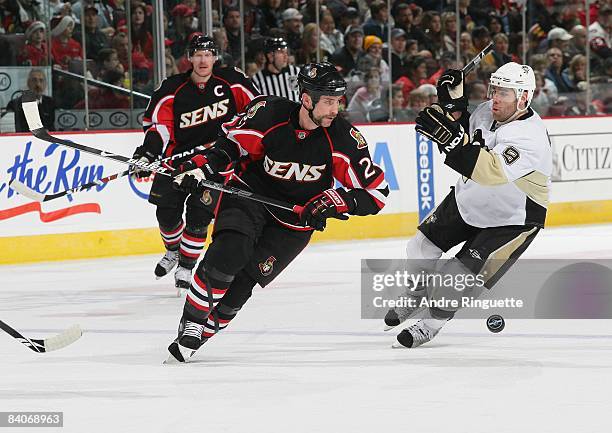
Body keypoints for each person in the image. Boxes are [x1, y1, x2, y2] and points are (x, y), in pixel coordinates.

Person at [166, 62, 389, 363]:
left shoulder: (343, 139)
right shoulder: (269, 113)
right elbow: (231, 147)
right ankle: (192, 322)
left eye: (337, 101)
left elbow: (377, 194)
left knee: (242, 286)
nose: (334, 109)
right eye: (327, 101)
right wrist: (202, 165)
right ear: (306, 99)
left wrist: (336, 200)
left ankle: (200, 335)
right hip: (250, 197)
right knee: (229, 254)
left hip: (294, 224)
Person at [386, 62, 551, 348]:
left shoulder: (530, 138)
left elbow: (489, 171)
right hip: (470, 200)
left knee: (456, 279)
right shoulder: (488, 111)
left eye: (505, 93)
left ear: (524, 97)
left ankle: (431, 324)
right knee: (419, 248)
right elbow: (466, 136)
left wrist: (453, 140)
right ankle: (415, 295)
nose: (495, 98)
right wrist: (454, 105)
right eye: (495, 89)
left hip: (512, 220)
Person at [130, 35, 259, 294]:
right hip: (176, 162)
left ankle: (186, 266)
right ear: (189, 58)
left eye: (208, 54)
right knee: (165, 215)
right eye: (197, 54)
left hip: (214, 162)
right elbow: (159, 128)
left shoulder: (233, 82)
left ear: (215, 58)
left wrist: (240, 140)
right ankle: (173, 251)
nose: (203, 60)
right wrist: (148, 154)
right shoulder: (171, 88)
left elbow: (257, 111)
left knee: (199, 217)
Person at [251, 37, 301, 102]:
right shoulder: (257, 80)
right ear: (270, 56)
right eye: (281, 52)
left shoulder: (296, 72)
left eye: (286, 52)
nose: (286, 56)